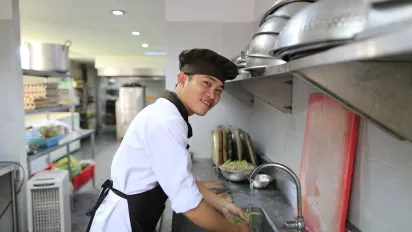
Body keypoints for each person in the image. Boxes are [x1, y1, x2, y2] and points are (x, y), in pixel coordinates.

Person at [85, 48, 251, 232]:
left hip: (135, 214)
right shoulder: (166, 121)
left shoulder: (169, 114)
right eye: (206, 83)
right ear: (182, 79)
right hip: (123, 222)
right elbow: (188, 203)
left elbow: (179, 178)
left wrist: (223, 205)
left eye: (218, 89)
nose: (212, 95)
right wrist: (236, 230)